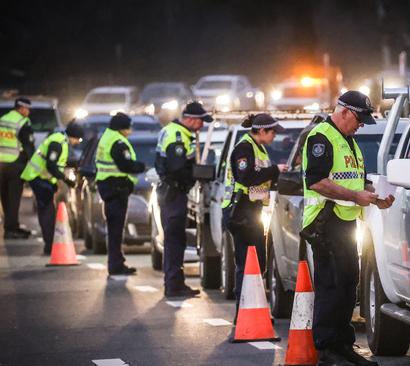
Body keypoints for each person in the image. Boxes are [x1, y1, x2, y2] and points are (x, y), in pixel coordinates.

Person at [301, 91, 393, 366]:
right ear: (344, 112)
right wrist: (356, 197)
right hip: (325, 222)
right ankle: (327, 350)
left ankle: (343, 346)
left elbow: (357, 181)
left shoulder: (349, 141)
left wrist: (375, 198)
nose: (361, 125)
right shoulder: (321, 137)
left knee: (347, 284)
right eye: (359, 119)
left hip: (344, 221)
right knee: (331, 286)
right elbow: (316, 181)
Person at [221, 113, 288, 320]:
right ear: (261, 130)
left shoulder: (257, 148)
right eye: (272, 132)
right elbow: (247, 177)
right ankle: (243, 315)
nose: (274, 136)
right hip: (241, 212)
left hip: (251, 211)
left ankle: (253, 311)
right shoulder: (244, 148)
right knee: (247, 264)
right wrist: (274, 170)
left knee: (257, 262)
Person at [155, 101, 211, 297]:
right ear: (190, 119)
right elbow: (177, 168)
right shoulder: (178, 136)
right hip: (173, 192)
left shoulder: (176, 132)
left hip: (173, 192)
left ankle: (176, 283)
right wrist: (195, 175)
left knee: (176, 239)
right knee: (174, 240)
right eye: (200, 121)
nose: (202, 126)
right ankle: (173, 285)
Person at [95, 113, 146, 275]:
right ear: (122, 127)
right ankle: (116, 265)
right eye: (128, 127)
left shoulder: (106, 137)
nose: (130, 130)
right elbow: (125, 165)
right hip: (116, 189)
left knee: (114, 230)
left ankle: (117, 263)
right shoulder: (118, 142)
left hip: (109, 188)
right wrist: (141, 167)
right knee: (116, 230)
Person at [20, 122, 83, 254]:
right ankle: (49, 245)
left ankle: (50, 243)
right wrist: (66, 180)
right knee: (47, 212)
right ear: (72, 136)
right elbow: (51, 165)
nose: (78, 142)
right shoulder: (57, 143)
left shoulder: (62, 142)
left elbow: (58, 163)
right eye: (78, 139)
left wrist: (73, 165)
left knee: (48, 212)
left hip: (43, 179)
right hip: (37, 177)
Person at [0, 97, 35, 239]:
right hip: (15, 164)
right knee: (14, 198)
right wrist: (32, 164)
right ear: (21, 108)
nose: (29, 112)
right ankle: (11, 229)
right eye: (27, 109)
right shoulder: (23, 123)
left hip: (0, 164)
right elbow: (28, 146)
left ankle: (10, 226)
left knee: (5, 197)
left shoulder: (3, 119)